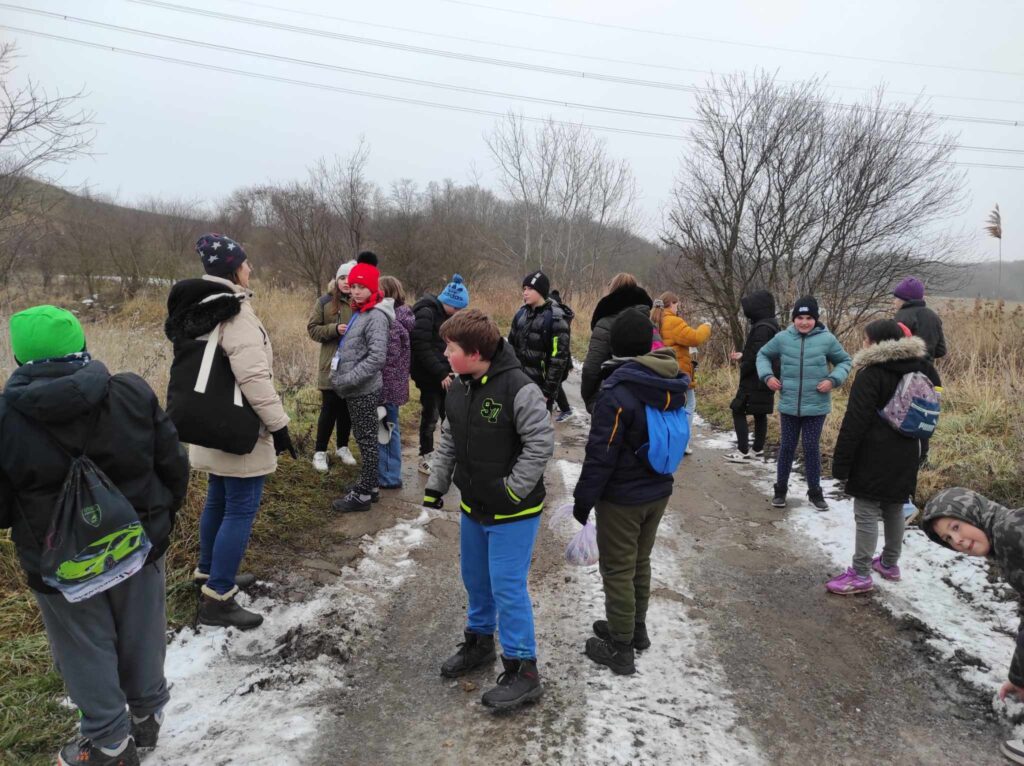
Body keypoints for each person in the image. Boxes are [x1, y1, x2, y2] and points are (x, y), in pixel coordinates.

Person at [0, 305, 189, 766]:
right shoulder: (130, 391)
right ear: (81, 345)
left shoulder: (6, 417)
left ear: (20, 358)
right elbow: (173, 464)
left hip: (58, 562)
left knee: (84, 646)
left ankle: (108, 743)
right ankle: (147, 715)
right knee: (143, 632)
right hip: (138, 544)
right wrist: (160, 520)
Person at [422, 309, 554, 710]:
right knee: (475, 578)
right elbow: (449, 439)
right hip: (473, 507)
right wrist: (436, 484)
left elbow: (540, 445)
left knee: (507, 586)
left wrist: (512, 492)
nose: (445, 354)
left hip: (513, 512)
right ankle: (479, 643)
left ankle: (523, 670)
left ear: (475, 353)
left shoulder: (519, 389)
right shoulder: (457, 388)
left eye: (451, 348)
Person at [166, 234, 295, 631]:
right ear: (234, 268)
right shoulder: (234, 313)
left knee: (218, 500)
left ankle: (209, 572)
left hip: (207, 423)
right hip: (239, 427)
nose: (250, 268)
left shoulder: (197, 306)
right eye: (246, 262)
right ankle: (218, 597)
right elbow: (254, 377)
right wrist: (280, 424)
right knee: (240, 507)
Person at [572, 309, 689, 675]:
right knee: (639, 561)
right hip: (659, 490)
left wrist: (583, 499)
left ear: (616, 346)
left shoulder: (618, 391)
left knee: (618, 568)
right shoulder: (670, 382)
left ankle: (620, 647)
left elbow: (601, 453)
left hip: (622, 497)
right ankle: (635, 629)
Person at [825, 320, 940, 595]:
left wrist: (841, 463)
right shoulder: (920, 366)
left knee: (866, 510)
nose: (863, 343)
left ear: (877, 343)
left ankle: (860, 573)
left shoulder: (871, 373)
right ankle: (889, 563)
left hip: (874, 452)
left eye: (866, 339)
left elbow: (855, 420)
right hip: (909, 449)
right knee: (895, 506)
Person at [920, 488, 1024, 765]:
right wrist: (1019, 677)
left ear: (974, 515)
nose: (957, 541)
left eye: (956, 527)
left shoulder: (1009, 532)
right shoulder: (1005, 536)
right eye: (948, 538)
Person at [756, 296, 851, 511]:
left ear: (816, 319)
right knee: (787, 447)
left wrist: (832, 379)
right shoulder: (782, 338)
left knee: (811, 448)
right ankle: (780, 490)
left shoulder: (827, 339)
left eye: (809, 318)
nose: (804, 322)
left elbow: (845, 361)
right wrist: (767, 376)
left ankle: (815, 493)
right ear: (794, 319)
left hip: (816, 406)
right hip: (789, 404)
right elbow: (763, 355)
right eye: (800, 317)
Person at [329, 260, 394, 512]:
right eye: (353, 286)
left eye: (361, 287)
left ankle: (364, 494)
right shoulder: (362, 311)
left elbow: (377, 358)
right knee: (364, 437)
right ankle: (371, 485)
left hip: (363, 389)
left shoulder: (375, 315)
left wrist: (348, 379)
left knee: (366, 440)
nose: (355, 291)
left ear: (372, 288)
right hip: (355, 388)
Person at [410, 274, 469, 475]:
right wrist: (440, 373)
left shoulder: (447, 316)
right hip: (428, 375)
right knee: (430, 416)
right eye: (458, 309)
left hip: (446, 374)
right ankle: (425, 456)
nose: (459, 313)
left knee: (450, 417)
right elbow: (421, 346)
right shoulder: (426, 313)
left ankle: (447, 455)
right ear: (449, 302)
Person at [307, 260, 357, 472]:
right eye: (342, 278)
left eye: (350, 278)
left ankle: (342, 447)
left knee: (347, 409)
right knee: (329, 408)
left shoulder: (360, 302)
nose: (346, 282)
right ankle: (320, 452)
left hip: (353, 367)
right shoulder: (324, 302)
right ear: (336, 280)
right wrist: (334, 329)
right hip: (330, 366)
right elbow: (312, 329)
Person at [892, 276, 947, 466]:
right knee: (923, 414)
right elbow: (941, 350)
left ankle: (903, 458)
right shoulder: (933, 316)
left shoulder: (901, 317)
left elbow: (893, 350)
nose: (893, 301)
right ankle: (923, 458)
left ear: (905, 299)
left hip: (904, 374)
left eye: (896, 298)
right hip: (928, 376)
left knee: (901, 414)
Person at [581, 273, 653, 413]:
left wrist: (590, 400)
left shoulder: (605, 323)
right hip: (644, 397)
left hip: (612, 398)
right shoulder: (648, 323)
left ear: (612, 290)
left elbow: (591, 368)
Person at [649, 292, 711, 455]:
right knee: (689, 404)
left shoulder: (655, 319)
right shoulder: (673, 321)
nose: (678, 308)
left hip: (660, 369)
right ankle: (683, 442)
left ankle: (664, 440)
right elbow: (695, 338)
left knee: (666, 406)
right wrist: (706, 326)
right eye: (677, 305)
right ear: (671, 304)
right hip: (678, 371)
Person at [724, 290, 779, 463]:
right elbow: (760, 351)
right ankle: (757, 449)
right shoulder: (771, 324)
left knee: (737, 409)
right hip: (765, 378)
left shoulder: (762, 328)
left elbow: (757, 354)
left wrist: (744, 366)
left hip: (754, 379)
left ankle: (743, 451)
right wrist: (744, 355)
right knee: (759, 412)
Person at [507, 271, 571, 413]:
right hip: (517, 385)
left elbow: (558, 360)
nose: (525, 293)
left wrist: (547, 393)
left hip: (540, 391)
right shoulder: (520, 314)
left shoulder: (556, 319)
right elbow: (510, 349)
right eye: (524, 289)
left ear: (541, 291)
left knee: (536, 426)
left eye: (530, 289)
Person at [378, 275, 414, 489]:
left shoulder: (391, 322)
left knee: (387, 431)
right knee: (388, 428)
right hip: (395, 385)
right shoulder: (402, 318)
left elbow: (386, 359)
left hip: (387, 387)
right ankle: (385, 472)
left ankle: (389, 477)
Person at [549, 288, 576, 422]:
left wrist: (568, 363)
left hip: (561, 361)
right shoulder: (559, 318)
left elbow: (561, 349)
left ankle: (566, 410)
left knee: (556, 384)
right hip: (562, 360)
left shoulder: (559, 321)